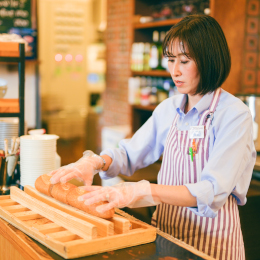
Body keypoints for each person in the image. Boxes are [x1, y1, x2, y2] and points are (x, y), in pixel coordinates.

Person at [49, 14, 256, 260]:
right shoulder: (169, 109)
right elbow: (128, 153)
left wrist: (142, 191)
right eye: (170, 60)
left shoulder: (235, 115)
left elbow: (211, 191)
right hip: (166, 237)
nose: (175, 71)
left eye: (185, 61)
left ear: (210, 60)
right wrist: (94, 162)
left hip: (211, 243)